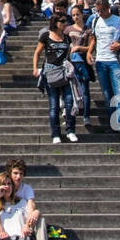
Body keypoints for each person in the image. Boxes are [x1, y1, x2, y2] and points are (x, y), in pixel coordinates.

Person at [86, 0, 120, 141]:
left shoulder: (119, 20)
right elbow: (93, 38)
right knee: (107, 94)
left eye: (102, 10)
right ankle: (114, 124)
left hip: (115, 61)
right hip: (100, 61)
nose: (100, 13)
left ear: (108, 8)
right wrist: (88, 52)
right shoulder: (95, 20)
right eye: (98, 11)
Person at [33, 12, 79, 144]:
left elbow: (68, 55)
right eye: (62, 21)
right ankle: (56, 134)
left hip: (65, 73)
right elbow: (37, 52)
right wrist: (35, 68)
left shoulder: (66, 38)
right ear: (56, 23)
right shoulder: (46, 36)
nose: (65, 23)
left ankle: (70, 130)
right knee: (54, 106)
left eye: (65, 21)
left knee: (70, 102)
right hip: (51, 74)